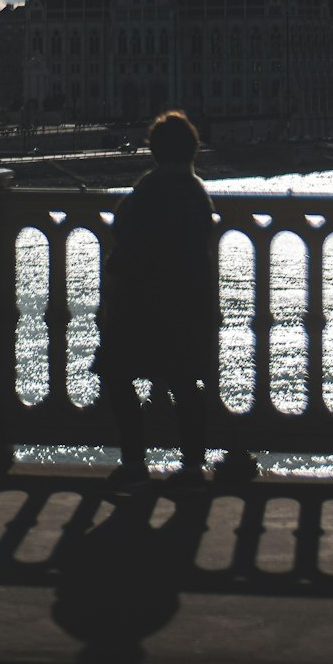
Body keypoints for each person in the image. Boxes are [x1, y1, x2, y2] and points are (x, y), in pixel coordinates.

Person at [92, 110, 216, 490]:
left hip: (139, 301)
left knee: (117, 375)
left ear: (155, 152)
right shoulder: (197, 193)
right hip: (182, 303)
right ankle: (193, 466)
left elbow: (122, 232)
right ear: (192, 151)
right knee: (183, 382)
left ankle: (133, 462)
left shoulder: (147, 189)